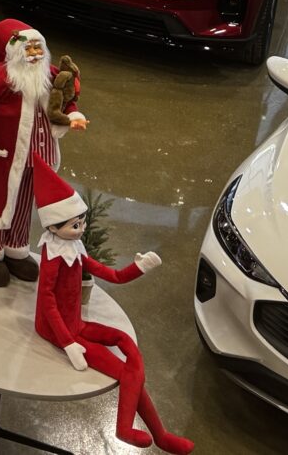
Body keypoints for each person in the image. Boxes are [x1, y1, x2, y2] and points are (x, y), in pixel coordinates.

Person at [31, 155, 192, 452]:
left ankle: (159, 435)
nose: (81, 229)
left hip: (77, 324)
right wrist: (68, 344)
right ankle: (130, 430)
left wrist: (138, 267)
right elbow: (47, 303)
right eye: (74, 225)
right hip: (60, 331)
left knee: (127, 345)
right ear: (53, 227)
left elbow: (113, 276)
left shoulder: (74, 249)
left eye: (82, 222)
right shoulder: (52, 257)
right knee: (127, 372)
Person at [0, 19, 86, 286]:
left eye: (38, 48)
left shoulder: (50, 74)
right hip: (2, 156)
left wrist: (73, 116)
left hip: (38, 158)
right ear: (14, 51)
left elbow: (66, 99)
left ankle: (15, 249)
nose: (35, 54)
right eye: (29, 49)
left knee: (23, 206)